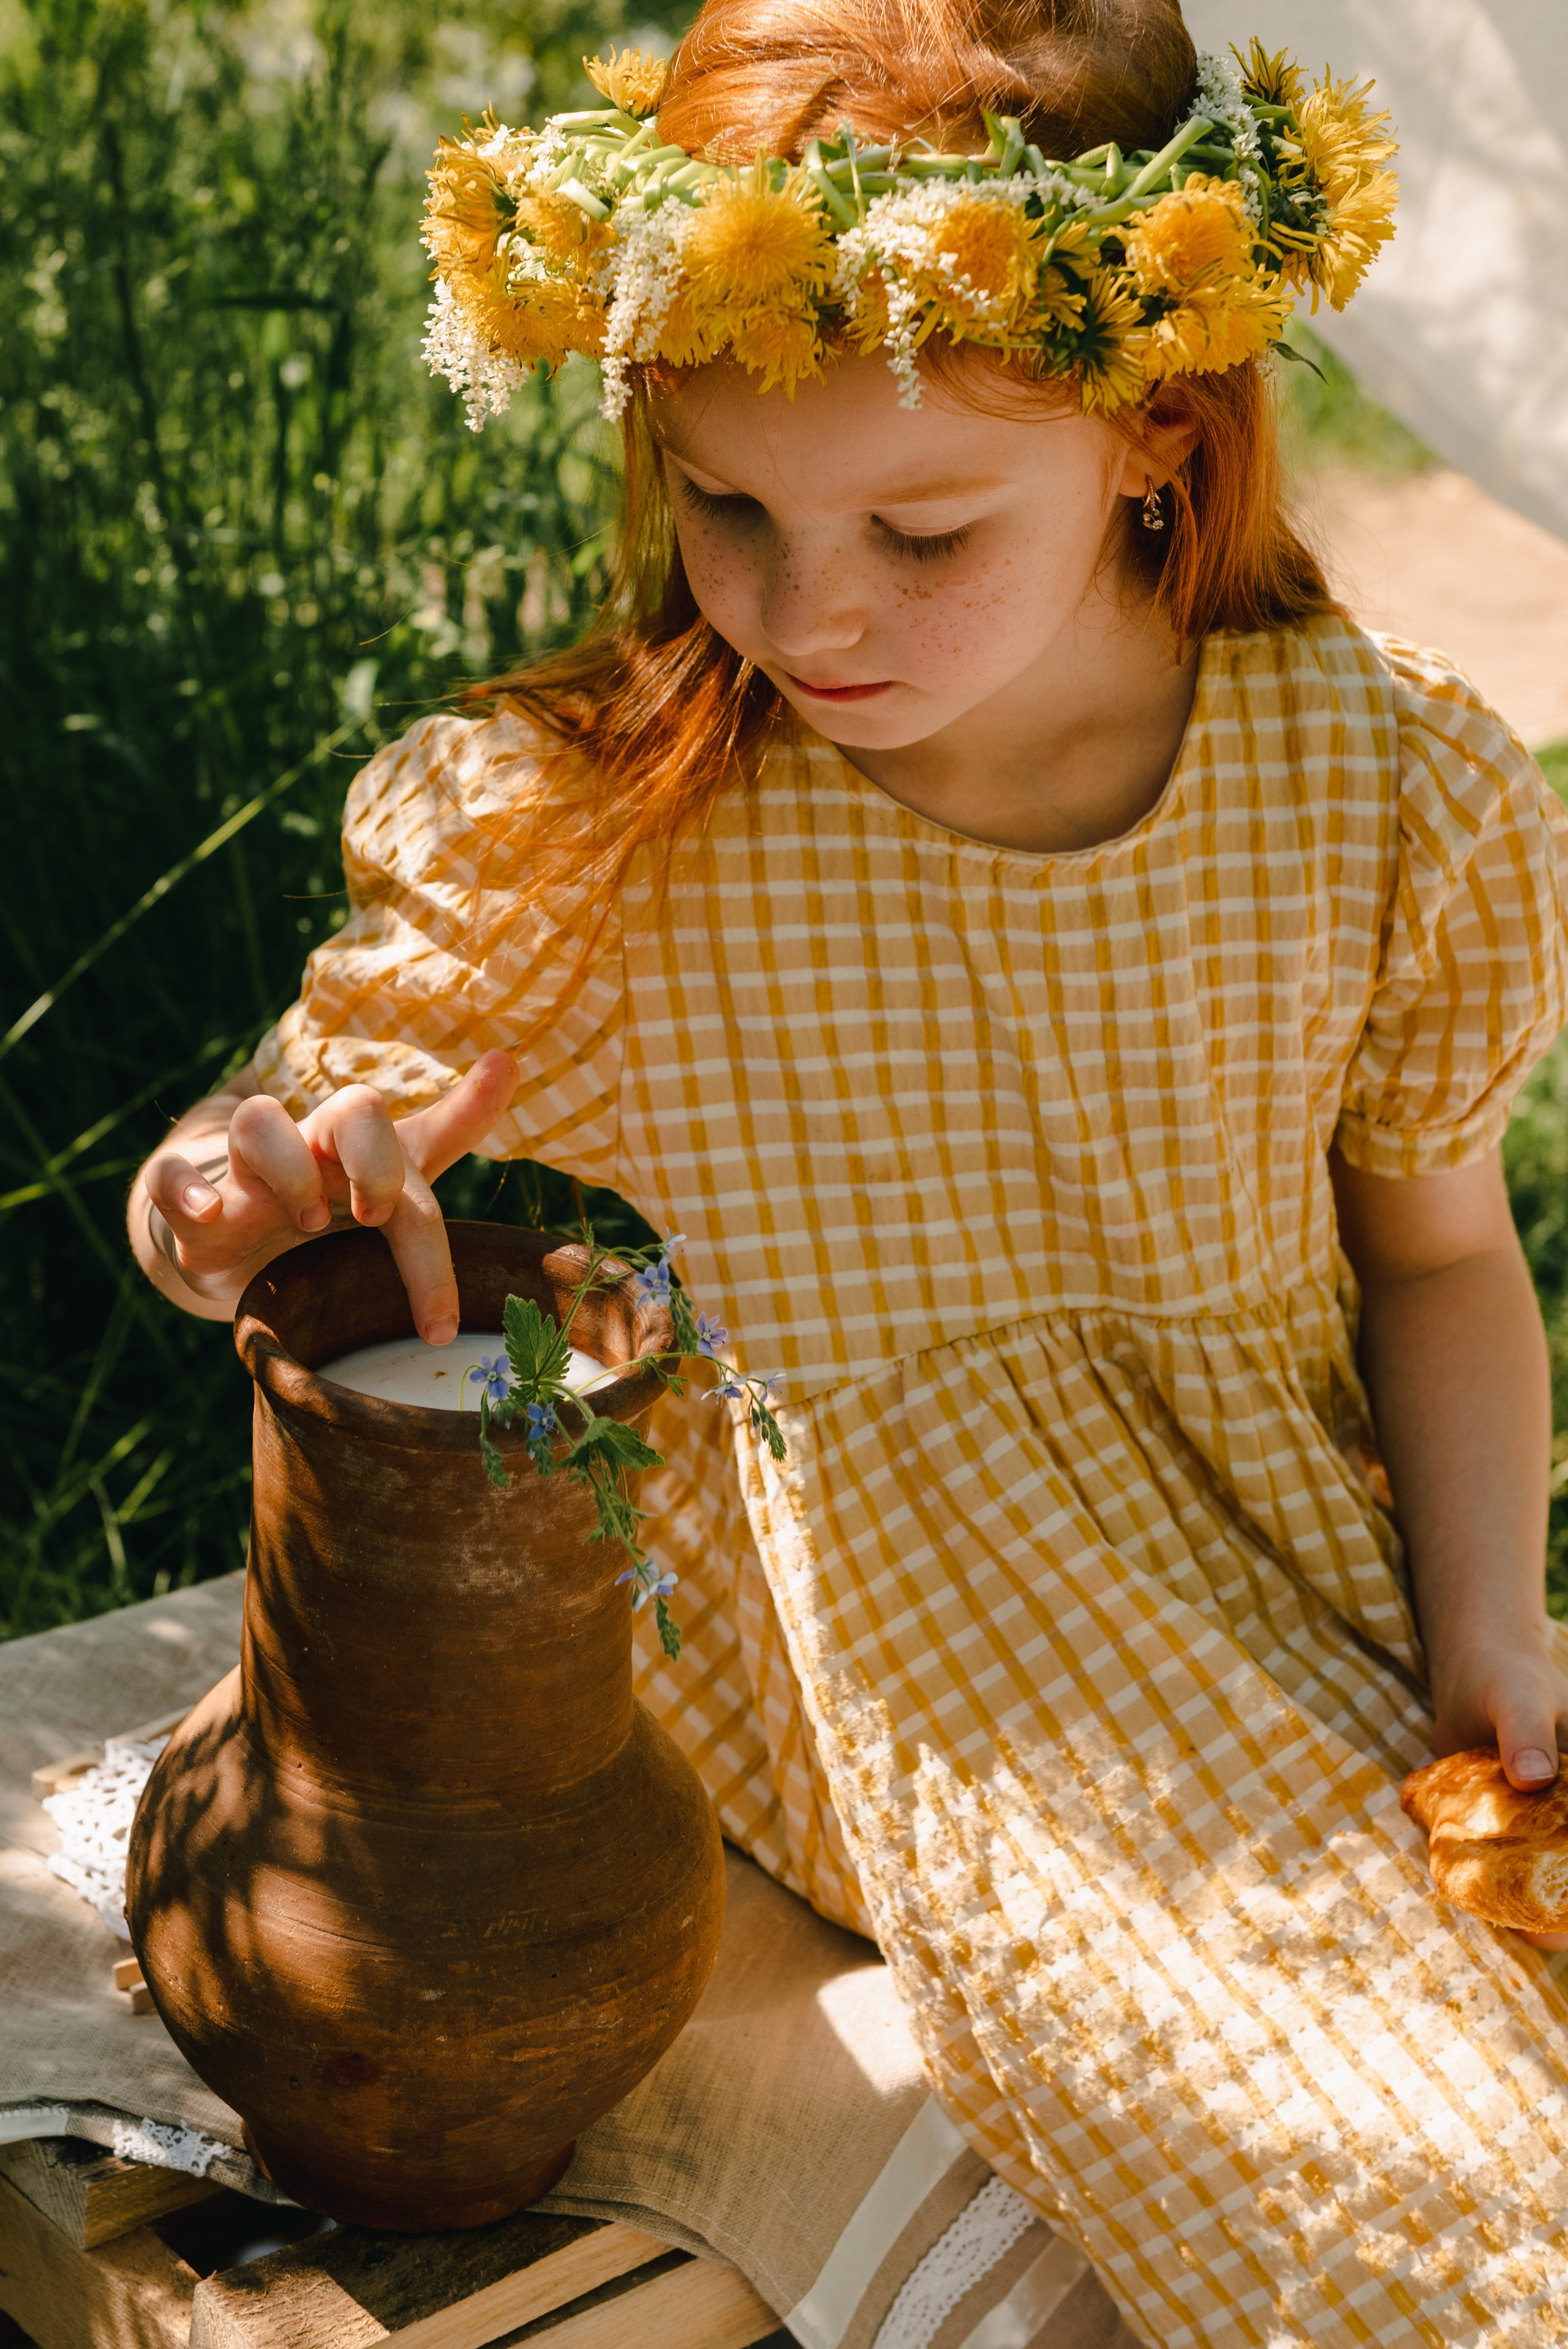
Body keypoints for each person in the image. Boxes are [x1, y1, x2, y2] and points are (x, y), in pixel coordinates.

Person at [128, 1, 1568, 2336]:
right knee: (1403, 2161)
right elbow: (291, 1164)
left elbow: (1438, 1257)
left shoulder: (1380, 792)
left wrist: (1491, 1616)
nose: (808, 615)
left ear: (1151, 438)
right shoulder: (612, 837)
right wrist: (225, 1197)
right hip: (940, 1681)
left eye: (920, 528)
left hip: (1295, 1570)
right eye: (728, 509)